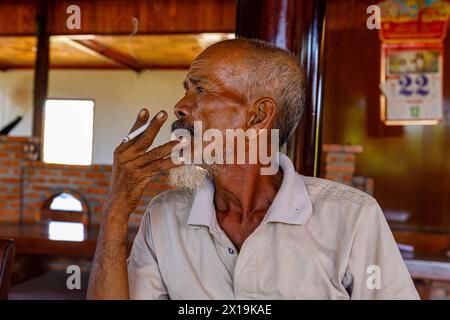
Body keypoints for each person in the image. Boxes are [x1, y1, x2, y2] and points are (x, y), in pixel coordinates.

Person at [87, 38, 419, 300]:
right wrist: (117, 208)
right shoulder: (163, 217)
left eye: (201, 89)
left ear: (259, 116)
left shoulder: (351, 218)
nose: (181, 106)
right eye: (186, 89)